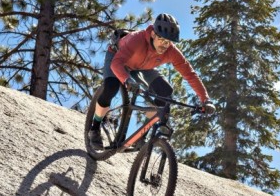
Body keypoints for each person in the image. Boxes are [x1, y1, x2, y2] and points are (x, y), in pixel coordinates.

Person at [88, 13, 215, 150]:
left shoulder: (171, 51)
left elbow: (190, 74)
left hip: (142, 67)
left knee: (165, 93)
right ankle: (94, 128)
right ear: (153, 34)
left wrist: (205, 100)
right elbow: (116, 64)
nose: (165, 45)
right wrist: (127, 80)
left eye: (168, 41)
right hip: (117, 58)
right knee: (111, 86)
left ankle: (142, 136)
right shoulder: (137, 40)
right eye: (161, 39)